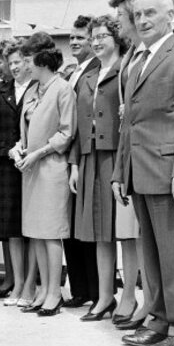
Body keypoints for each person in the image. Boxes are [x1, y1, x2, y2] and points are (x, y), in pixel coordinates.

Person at [113, 0, 174, 346]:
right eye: (138, 15)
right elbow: (130, 124)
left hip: (167, 170)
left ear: (170, 15)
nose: (142, 21)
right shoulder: (138, 60)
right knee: (151, 253)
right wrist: (120, 172)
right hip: (140, 171)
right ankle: (158, 319)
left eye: (150, 13)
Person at [68, 16, 137, 321]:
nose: (96, 41)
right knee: (99, 233)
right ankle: (105, 296)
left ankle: (130, 298)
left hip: (117, 157)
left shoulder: (126, 70)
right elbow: (77, 125)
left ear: (116, 37)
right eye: (93, 37)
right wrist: (74, 164)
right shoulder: (88, 75)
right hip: (89, 157)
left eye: (102, 36)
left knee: (124, 232)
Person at [11, 32, 76, 316]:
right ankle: (42, 289)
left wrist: (38, 153)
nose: (24, 64)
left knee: (50, 233)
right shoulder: (32, 90)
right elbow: (24, 131)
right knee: (35, 233)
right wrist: (18, 149)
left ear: (41, 60)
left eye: (27, 59)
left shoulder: (62, 89)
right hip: (31, 170)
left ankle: (54, 292)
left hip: (51, 169)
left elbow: (67, 132)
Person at [107, 0, 153, 330]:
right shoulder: (130, 57)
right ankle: (135, 298)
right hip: (129, 155)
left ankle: (152, 301)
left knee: (147, 236)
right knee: (131, 233)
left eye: (121, 17)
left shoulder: (145, 54)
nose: (120, 24)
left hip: (150, 156)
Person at [0, 41, 34, 305]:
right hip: (8, 166)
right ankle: (17, 284)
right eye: (12, 63)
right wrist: (8, 152)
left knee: (34, 229)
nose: (15, 66)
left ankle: (31, 284)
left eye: (20, 62)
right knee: (13, 230)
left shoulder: (38, 88)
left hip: (33, 164)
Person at [62, 15, 101, 310]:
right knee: (72, 228)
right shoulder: (73, 73)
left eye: (80, 38)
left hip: (85, 155)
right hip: (68, 157)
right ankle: (79, 288)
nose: (74, 42)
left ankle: (95, 289)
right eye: (72, 38)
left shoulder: (98, 70)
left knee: (88, 226)